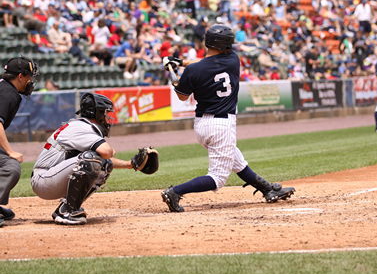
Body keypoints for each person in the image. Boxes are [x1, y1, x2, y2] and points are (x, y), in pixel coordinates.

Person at [160, 24, 295, 213]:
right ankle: (175, 192)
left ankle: (267, 190)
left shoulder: (194, 71)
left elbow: (183, 93)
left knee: (237, 161)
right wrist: (181, 63)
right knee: (218, 178)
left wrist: (176, 76)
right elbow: (205, 63)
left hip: (202, 125)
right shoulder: (233, 60)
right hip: (221, 125)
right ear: (224, 44)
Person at [30, 93, 147, 225]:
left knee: (104, 164)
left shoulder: (81, 126)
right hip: (44, 180)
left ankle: (65, 208)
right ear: (96, 113)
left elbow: (105, 158)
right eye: (105, 113)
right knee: (91, 159)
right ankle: (69, 211)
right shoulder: (82, 127)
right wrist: (108, 152)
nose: (108, 117)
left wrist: (131, 164)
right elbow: (106, 152)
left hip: (53, 177)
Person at [0, 56, 39, 227]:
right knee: (10, 167)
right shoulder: (8, 93)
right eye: (29, 76)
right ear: (21, 76)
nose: (31, 80)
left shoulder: (4, 87)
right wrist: (10, 151)